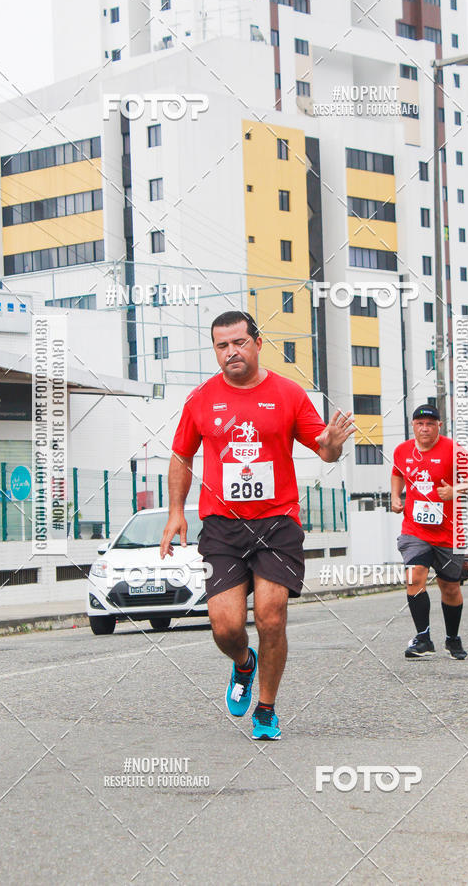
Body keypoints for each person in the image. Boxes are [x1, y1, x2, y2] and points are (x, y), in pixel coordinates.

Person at [160, 310, 355, 739]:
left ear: (257, 342)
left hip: (277, 523)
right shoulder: (199, 399)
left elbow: (322, 449)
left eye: (238, 342)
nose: (231, 352)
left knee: (271, 617)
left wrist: (333, 447)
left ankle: (266, 708)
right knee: (226, 627)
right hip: (222, 527)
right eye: (221, 345)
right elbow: (181, 455)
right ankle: (243, 663)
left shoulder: (288, 394)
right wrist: (176, 510)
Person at [391, 404, 468, 660]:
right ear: (413, 426)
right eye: (420, 424)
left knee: (449, 588)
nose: (425, 428)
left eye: (430, 424)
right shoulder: (402, 451)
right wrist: (395, 496)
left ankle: (452, 638)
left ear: (439, 425)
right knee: (414, 577)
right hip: (414, 530)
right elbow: (397, 472)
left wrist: (455, 490)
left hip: (449, 533)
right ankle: (423, 637)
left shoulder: (453, 450)